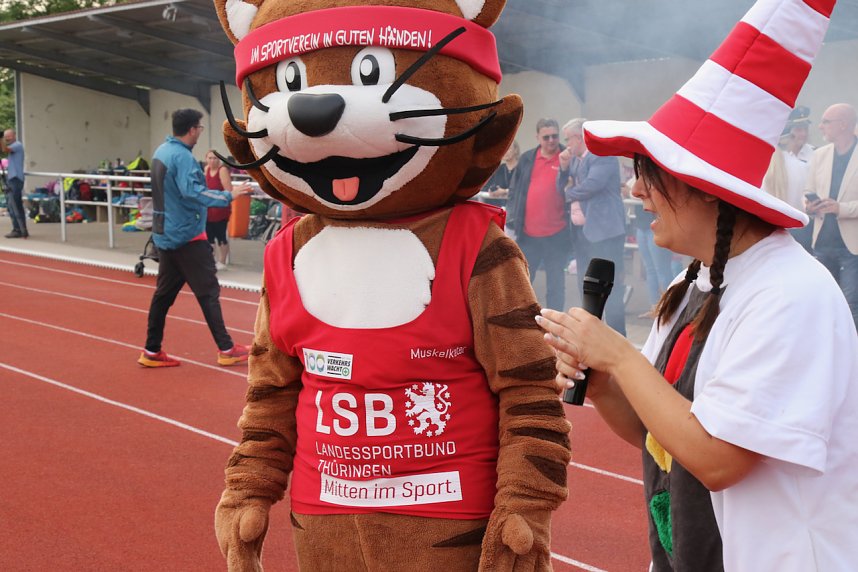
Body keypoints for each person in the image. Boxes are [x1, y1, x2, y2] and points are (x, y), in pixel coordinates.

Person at [538, 1, 858, 569]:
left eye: (649, 174)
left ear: (707, 187)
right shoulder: (697, 280)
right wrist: (606, 380)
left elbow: (717, 459)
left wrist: (619, 355)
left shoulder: (790, 294)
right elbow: (657, 435)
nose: (637, 192)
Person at [138, 109, 251, 368]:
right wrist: (228, 195)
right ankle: (226, 348)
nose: (200, 131)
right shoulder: (182, 157)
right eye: (199, 128)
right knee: (208, 291)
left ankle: (151, 350)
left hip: (165, 235)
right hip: (186, 236)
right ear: (192, 130)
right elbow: (192, 192)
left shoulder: (160, 152)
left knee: (163, 296)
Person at [558, 118, 627, 335]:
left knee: (610, 287)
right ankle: (591, 334)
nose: (567, 144)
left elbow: (592, 186)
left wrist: (566, 194)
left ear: (579, 137)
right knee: (585, 283)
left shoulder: (602, 155)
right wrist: (563, 168)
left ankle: (618, 337)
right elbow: (564, 183)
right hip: (583, 232)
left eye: (568, 139)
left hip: (605, 231)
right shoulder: (577, 160)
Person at [506, 118, 571, 310]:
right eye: (546, 137)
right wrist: (511, 222)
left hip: (557, 235)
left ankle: (555, 327)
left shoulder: (566, 157)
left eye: (555, 136)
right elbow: (514, 192)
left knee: (556, 286)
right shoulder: (527, 158)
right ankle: (522, 321)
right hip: (528, 235)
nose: (551, 140)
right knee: (524, 282)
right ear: (538, 137)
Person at [804, 103, 858, 331]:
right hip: (822, 243)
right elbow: (806, 192)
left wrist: (841, 208)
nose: (820, 126)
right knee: (823, 304)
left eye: (826, 121)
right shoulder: (819, 155)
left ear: (843, 124)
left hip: (852, 249)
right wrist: (809, 206)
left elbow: (843, 207)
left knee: (850, 306)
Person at [204, 149, 249, 270]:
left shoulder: (222, 170)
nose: (212, 161)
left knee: (220, 235)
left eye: (215, 158)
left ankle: (222, 261)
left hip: (220, 208)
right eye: (210, 158)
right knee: (209, 236)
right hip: (209, 207)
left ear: (219, 160)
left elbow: (228, 190)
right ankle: (211, 259)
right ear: (206, 159)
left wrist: (219, 198)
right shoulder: (206, 169)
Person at [1, 129, 27, 239]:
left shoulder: (17, 145)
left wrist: (0, 139)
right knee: (13, 205)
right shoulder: (14, 146)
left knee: (14, 205)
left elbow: (4, 149)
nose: (7, 138)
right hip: (12, 179)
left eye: (9, 136)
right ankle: (20, 229)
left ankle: (19, 229)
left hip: (15, 179)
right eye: (5, 137)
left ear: (14, 135)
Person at [479, 139, 519, 207]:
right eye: (504, 149)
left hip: (517, 209)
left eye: (509, 148)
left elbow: (524, 189)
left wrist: (505, 191)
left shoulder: (522, 168)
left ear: (515, 150)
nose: (506, 151)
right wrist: (491, 191)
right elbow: (485, 187)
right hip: (500, 210)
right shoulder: (498, 169)